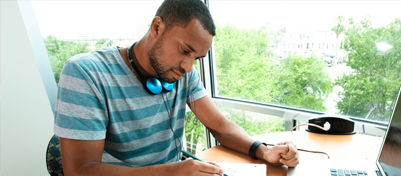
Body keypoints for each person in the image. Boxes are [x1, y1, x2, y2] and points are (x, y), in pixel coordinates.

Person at [53, 0, 300, 175]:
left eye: (197, 58)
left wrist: (262, 151)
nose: (188, 67)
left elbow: (220, 126)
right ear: (157, 28)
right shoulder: (85, 73)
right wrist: (173, 172)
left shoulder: (181, 73)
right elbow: (81, 170)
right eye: (185, 50)